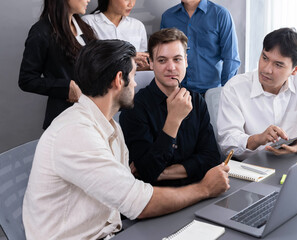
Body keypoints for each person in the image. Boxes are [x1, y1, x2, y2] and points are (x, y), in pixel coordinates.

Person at [22, 39, 230, 239]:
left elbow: (131, 191)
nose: (136, 83)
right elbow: (140, 204)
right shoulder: (76, 133)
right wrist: (205, 189)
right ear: (118, 79)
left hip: (114, 231)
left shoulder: (109, 126)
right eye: (133, 75)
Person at [120, 28, 221, 186]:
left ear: (186, 61)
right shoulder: (134, 107)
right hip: (159, 198)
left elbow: (211, 158)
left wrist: (162, 173)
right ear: (151, 63)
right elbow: (147, 170)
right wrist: (173, 120)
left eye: (177, 59)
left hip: (198, 189)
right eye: (162, 60)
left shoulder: (197, 101)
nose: (171, 67)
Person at [217, 28, 297, 160]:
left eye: (278, 65)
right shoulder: (235, 88)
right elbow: (226, 143)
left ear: (295, 69)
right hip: (251, 165)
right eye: (264, 58)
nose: (266, 69)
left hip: (292, 161)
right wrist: (257, 139)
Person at [18, 0, 97, 129]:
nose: (89, 0)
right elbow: (26, 80)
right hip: (65, 119)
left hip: (92, 114)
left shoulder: (83, 27)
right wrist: (65, 86)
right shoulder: (41, 32)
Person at [160, 0, 241, 94]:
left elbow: (231, 58)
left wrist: (225, 92)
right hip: (177, 92)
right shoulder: (168, 17)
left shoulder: (220, 14)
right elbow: (163, 54)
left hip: (210, 92)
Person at [82, 0, 149, 70]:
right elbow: (87, 61)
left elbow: (139, 65)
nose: (131, 4)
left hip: (132, 79)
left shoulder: (138, 26)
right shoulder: (88, 22)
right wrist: (129, 58)